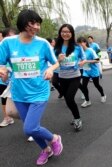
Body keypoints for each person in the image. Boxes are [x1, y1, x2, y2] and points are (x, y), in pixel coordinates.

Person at [0, 9, 63, 165]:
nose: (36, 27)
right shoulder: (7, 43)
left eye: (38, 24)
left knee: (29, 128)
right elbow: (1, 64)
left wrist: (50, 69)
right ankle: (46, 150)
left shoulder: (43, 43)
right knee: (33, 127)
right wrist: (3, 72)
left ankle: (54, 138)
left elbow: (55, 62)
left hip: (39, 91)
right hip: (19, 93)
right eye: (32, 23)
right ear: (23, 24)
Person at [54, 24, 86, 131]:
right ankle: (75, 115)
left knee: (69, 97)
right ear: (60, 33)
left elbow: (83, 58)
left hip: (75, 76)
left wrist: (81, 63)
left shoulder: (77, 47)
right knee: (68, 100)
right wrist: (58, 60)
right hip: (62, 77)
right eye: (63, 31)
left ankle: (77, 119)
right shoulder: (57, 48)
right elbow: (53, 62)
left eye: (68, 32)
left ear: (72, 34)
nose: (65, 34)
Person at [77, 37, 106, 108]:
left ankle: (103, 95)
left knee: (96, 85)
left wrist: (87, 61)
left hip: (93, 70)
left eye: (81, 43)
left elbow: (97, 60)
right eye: (78, 43)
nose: (80, 45)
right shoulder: (79, 52)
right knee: (84, 86)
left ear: (85, 43)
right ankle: (87, 101)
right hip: (86, 71)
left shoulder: (90, 50)